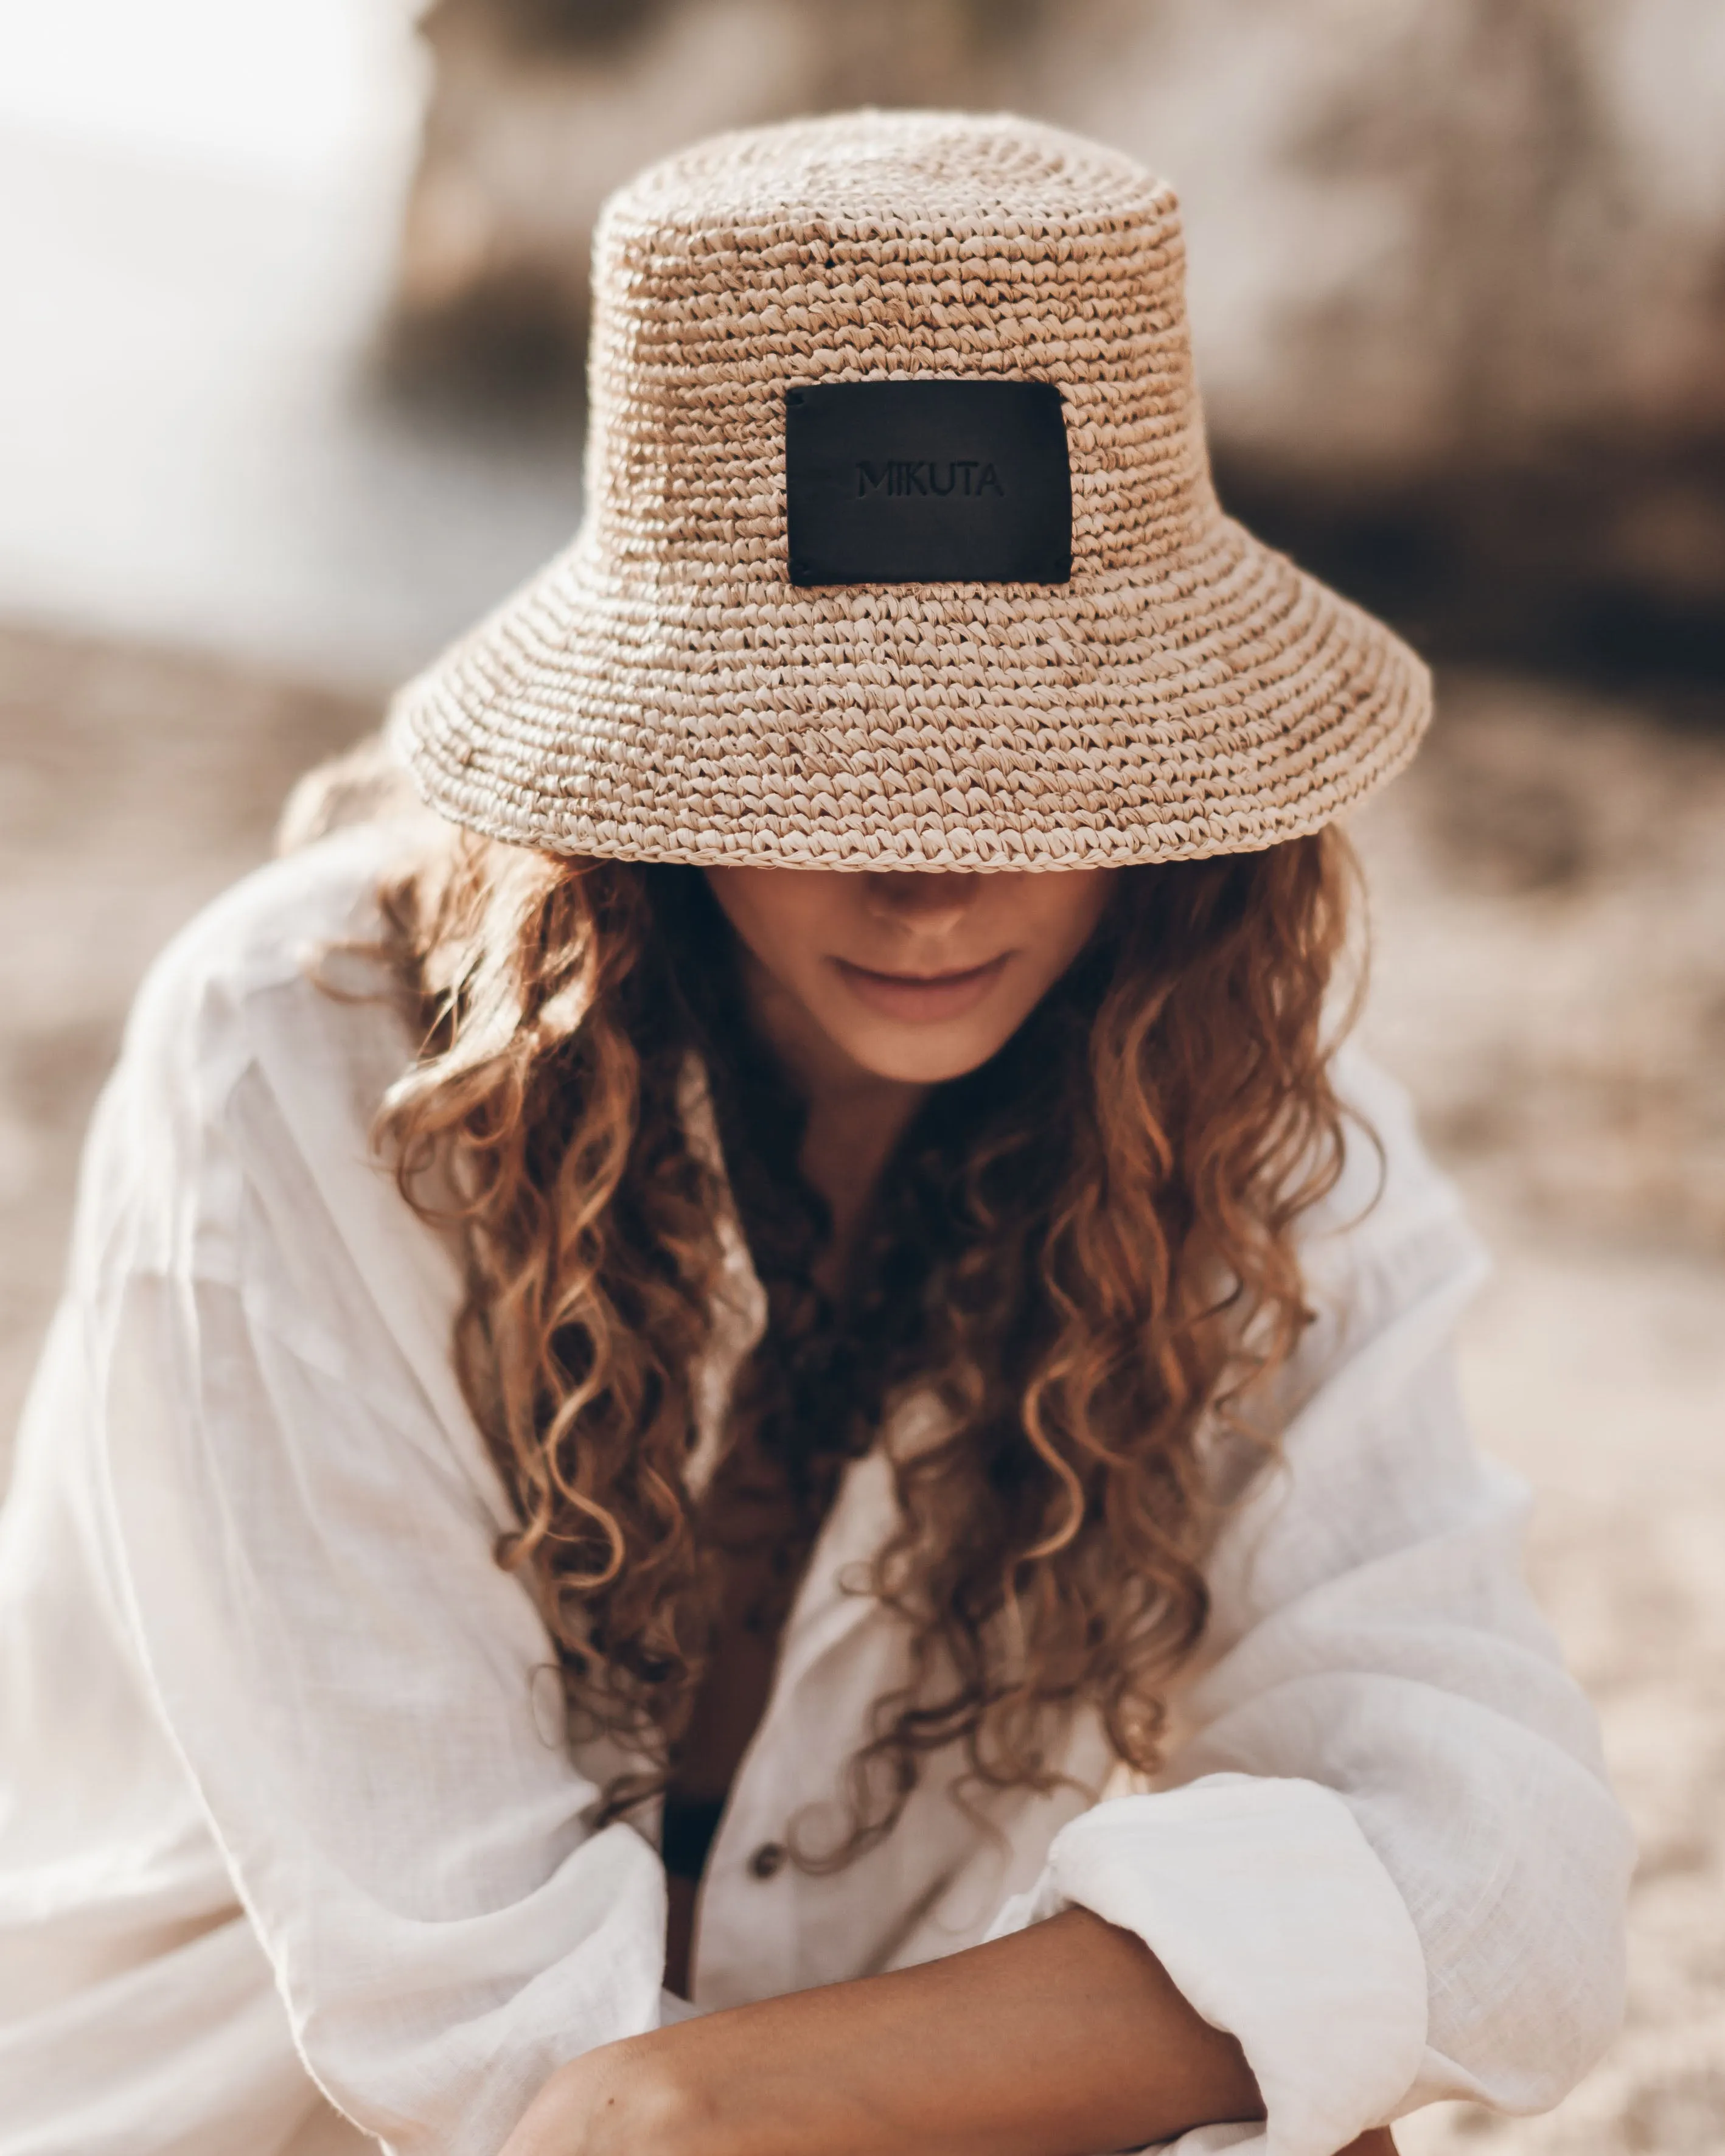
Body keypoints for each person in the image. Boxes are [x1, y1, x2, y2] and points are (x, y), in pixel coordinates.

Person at [0, 111, 1630, 2156]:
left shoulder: (1238, 1127)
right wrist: (1196, 2017)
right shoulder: (313, 1072)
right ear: (650, 757)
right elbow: (497, 2064)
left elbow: (1518, 1878)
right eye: (820, 752)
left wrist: (726, 2093)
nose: (931, 880)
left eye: (1033, 754)